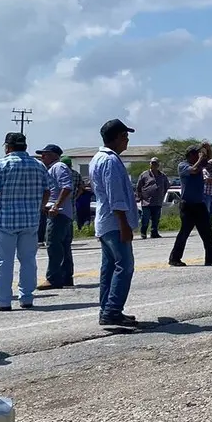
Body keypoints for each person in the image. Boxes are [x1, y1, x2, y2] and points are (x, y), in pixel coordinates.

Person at [0, 132, 50, 312]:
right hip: (30, 220)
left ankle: (2, 300)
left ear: (8, 147)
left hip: (5, 220)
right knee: (28, 260)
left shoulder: (1, 164)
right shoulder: (38, 165)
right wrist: (38, 207)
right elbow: (47, 191)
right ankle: (26, 297)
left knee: (4, 262)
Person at [90, 120, 138, 326]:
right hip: (114, 222)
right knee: (124, 266)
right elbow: (115, 196)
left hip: (105, 221)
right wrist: (124, 224)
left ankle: (107, 309)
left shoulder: (98, 158)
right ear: (118, 137)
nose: (127, 141)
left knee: (109, 267)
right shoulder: (109, 161)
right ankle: (112, 309)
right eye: (125, 136)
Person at [169, 144, 212, 267]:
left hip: (199, 204)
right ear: (191, 155)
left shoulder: (200, 165)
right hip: (187, 205)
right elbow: (194, 170)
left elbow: (208, 160)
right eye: (197, 154)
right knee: (184, 233)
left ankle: (210, 258)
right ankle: (174, 258)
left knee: (207, 233)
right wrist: (200, 159)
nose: (199, 157)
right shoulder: (183, 166)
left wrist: (206, 149)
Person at [36, 143, 75, 290]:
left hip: (58, 213)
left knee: (53, 245)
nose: (42, 157)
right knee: (63, 246)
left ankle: (53, 278)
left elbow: (67, 186)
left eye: (45, 154)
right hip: (62, 213)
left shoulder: (58, 167)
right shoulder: (53, 168)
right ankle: (66, 277)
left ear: (53, 155)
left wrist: (56, 205)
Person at [135, 157, 169, 239]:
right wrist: (139, 196)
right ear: (150, 164)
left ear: (158, 165)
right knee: (145, 218)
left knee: (156, 219)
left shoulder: (162, 175)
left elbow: (167, 185)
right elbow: (138, 186)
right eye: (152, 163)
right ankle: (143, 233)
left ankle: (154, 233)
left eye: (155, 163)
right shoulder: (144, 175)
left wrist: (162, 193)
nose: (153, 165)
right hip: (146, 201)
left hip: (157, 201)